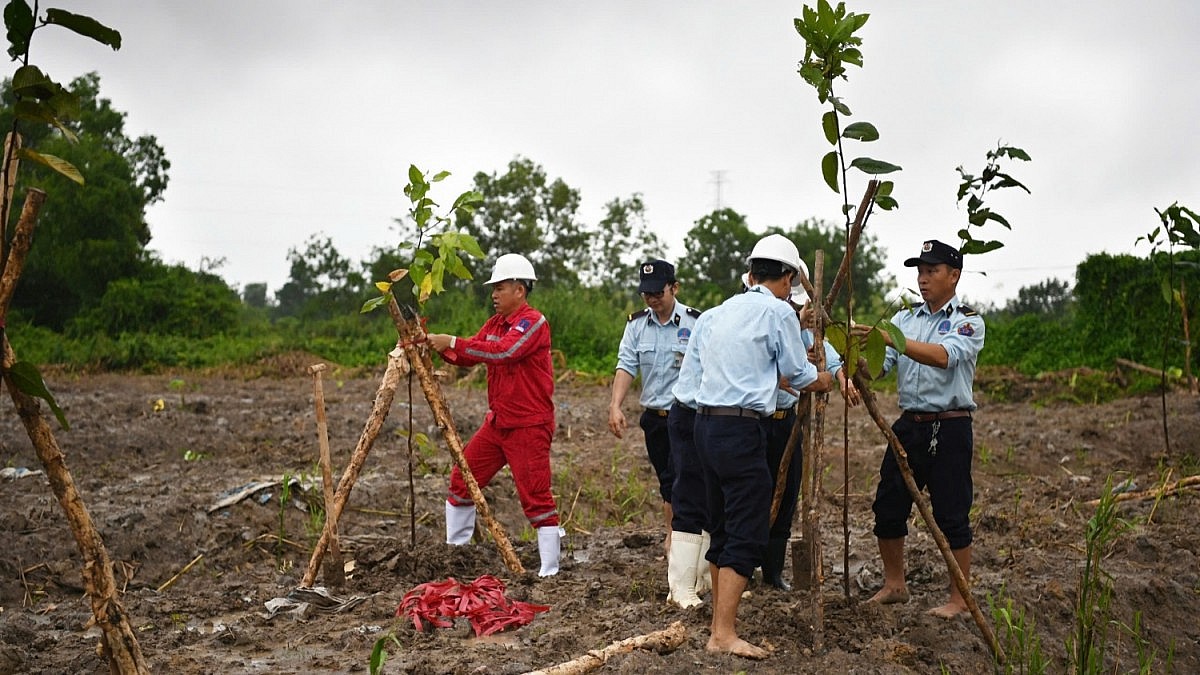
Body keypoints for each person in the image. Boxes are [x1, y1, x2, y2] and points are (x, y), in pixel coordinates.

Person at [674, 233, 833, 658]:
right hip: (742, 431)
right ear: (784, 279)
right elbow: (798, 375)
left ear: (749, 274)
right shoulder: (778, 313)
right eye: (789, 284)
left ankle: (718, 624)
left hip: (704, 426)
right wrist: (827, 379)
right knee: (749, 529)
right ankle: (723, 633)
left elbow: (688, 386)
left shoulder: (713, 315)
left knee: (722, 524)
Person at [851, 239, 985, 618]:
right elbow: (881, 366)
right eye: (920, 273)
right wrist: (860, 363)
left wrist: (893, 339)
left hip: (951, 427)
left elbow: (944, 356)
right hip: (909, 426)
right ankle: (895, 584)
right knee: (888, 506)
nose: (923, 279)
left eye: (932, 272)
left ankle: (959, 598)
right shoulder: (905, 319)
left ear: (954, 276)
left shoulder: (968, 320)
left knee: (952, 513)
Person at [426, 253, 561, 577]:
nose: (494, 295)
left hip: (528, 425)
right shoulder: (496, 324)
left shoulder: (533, 323)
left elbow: (505, 352)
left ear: (520, 289)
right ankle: (455, 556)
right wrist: (441, 348)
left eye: (500, 287)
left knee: (536, 497)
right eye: (494, 288)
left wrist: (453, 341)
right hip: (498, 423)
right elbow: (472, 352)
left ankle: (550, 572)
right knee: (462, 481)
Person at [606, 259, 703, 605]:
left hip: (687, 415)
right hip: (655, 419)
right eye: (646, 293)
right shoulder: (636, 326)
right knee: (667, 481)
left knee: (683, 480)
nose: (651, 299)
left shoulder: (695, 323)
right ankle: (674, 537)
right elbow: (626, 364)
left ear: (674, 288)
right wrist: (616, 405)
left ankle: (679, 542)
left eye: (657, 292)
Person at [758, 274, 859, 591]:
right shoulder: (761, 322)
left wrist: (842, 378)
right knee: (752, 495)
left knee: (787, 495)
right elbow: (764, 369)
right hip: (756, 422)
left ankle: (773, 574)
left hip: (788, 421)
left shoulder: (798, 330)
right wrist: (793, 374)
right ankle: (743, 567)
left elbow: (828, 353)